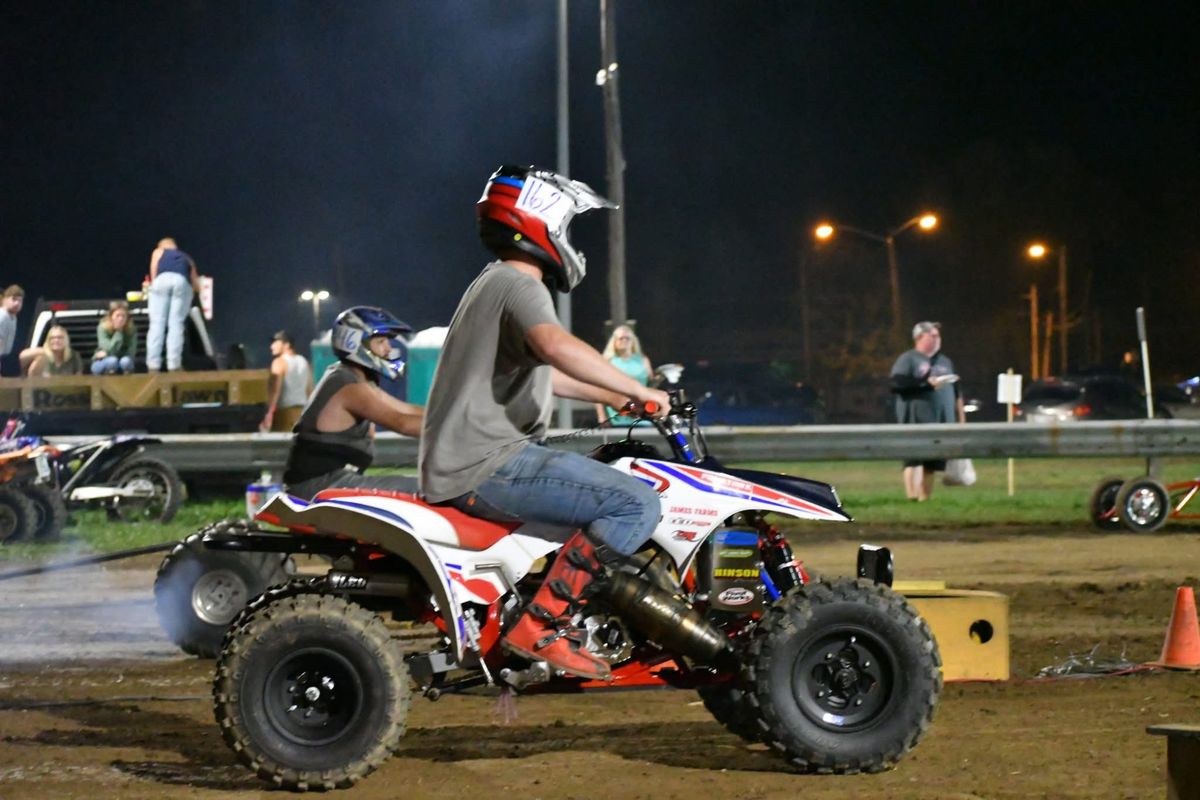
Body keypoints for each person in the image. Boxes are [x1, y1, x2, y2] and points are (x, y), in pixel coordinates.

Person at [419, 164, 670, 682]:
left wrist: (618, 399)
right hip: (489, 464)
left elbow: (547, 377)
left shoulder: (495, 283)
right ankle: (545, 623)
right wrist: (638, 388)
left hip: (472, 461)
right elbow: (555, 348)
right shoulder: (519, 283)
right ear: (540, 219)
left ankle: (573, 617)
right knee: (636, 501)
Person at [281, 306, 424, 500]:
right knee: (430, 490)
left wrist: (453, 416)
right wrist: (460, 429)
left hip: (328, 481)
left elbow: (407, 409)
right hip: (320, 486)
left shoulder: (354, 379)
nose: (388, 349)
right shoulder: (350, 387)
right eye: (381, 341)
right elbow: (403, 423)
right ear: (354, 343)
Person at [889, 320, 965, 501]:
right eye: (933, 335)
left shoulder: (945, 361)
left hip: (941, 422)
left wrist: (961, 418)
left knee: (931, 464)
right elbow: (896, 384)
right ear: (919, 337)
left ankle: (925, 500)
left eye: (938, 335)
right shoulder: (908, 359)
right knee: (913, 460)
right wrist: (924, 385)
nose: (938, 338)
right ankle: (911, 498)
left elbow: (957, 393)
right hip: (915, 420)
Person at [145, 237, 200, 373]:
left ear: (162, 245)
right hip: (182, 282)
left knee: (157, 324)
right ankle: (174, 365)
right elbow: (196, 284)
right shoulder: (187, 258)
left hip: (161, 281)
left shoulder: (159, 251)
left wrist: (153, 285)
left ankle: (153, 365)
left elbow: (154, 270)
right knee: (176, 324)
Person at [594, 324, 654, 425]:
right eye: (621, 338)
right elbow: (598, 390)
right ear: (614, 341)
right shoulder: (608, 361)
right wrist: (602, 417)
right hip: (617, 418)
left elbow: (652, 386)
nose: (624, 341)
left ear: (633, 341)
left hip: (642, 417)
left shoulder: (643, 360)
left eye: (628, 338)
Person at [261, 330, 313, 432]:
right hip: (302, 413)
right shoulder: (304, 362)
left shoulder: (279, 362)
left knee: (280, 446)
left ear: (287, 344)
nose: (272, 346)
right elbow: (310, 390)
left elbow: (275, 390)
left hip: (285, 413)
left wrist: (269, 413)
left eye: (276, 343)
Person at [91, 300, 138, 375]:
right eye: (117, 315)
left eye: (123, 316)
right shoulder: (103, 328)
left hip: (122, 360)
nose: (120, 319)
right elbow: (109, 349)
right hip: (102, 361)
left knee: (126, 362)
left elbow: (131, 351)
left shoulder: (131, 329)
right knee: (112, 361)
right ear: (111, 316)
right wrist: (118, 332)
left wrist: (107, 353)